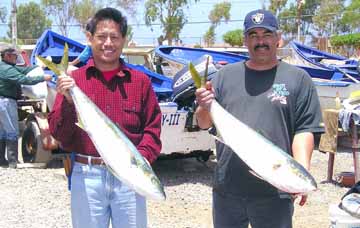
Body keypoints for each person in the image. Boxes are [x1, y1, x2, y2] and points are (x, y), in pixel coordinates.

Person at [195, 9, 323, 228]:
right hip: (227, 189)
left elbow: (304, 130)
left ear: (278, 38)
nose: (260, 41)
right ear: (245, 40)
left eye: (267, 34)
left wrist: (300, 173)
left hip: (275, 192)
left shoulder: (298, 79)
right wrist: (204, 104)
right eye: (254, 35)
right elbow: (204, 123)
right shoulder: (225, 76)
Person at [48, 7, 162, 228]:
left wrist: (141, 161)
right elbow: (58, 133)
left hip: (130, 178)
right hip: (87, 176)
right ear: (90, 39)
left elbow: (153, 129)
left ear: (124, 40)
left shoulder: (140, 82)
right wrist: (69, 102)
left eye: (114, 37)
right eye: (101, 36)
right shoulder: (75, 81)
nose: (108, 43)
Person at [0, 46, 52, 168]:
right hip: (6, 102)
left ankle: (2, 161)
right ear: (7, 56)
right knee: (12, 130)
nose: (17, 58)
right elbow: (23, 79)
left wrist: (39, 67)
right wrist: (42, 77)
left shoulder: (7, 66)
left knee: (2, 131)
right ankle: (13, 162)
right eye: (15, 56)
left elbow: (24, 70)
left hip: (4, 101)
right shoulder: (6, 69)